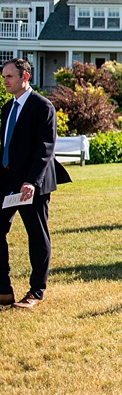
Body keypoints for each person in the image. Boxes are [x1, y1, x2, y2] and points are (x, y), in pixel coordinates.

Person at [0, 58, 57, 310]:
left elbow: (45, 149)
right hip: (7, 183)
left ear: (25, 77)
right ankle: (3, 290)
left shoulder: (42, 107)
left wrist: (31, 181)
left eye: (9, 76)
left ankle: (36, 291)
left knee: (37, 235)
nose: (5, 81)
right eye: (3, 77)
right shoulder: (6, 108)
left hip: (32, 185)